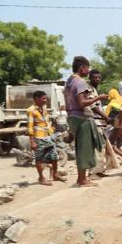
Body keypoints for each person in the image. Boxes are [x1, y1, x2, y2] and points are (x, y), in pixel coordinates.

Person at [64, 56, 108, 187]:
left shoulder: (69, 82)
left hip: (73, 117)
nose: (88, 71)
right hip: (82, 118)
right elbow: (82, 102)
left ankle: (82, 178)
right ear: (82, 68)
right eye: (87, 68)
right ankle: (82, 179)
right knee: (85, 148)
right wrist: (98, 97)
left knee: (81, 148)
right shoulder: (80, 82)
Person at [27, 91, 65, 186]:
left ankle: (55, 174)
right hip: (38, 137)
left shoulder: (43, 108)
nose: (45, 100)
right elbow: (30, 127)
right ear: (36, 99)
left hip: (48, 135)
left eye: (45, 98)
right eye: (43, 98)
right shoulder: (30, 110)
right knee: (39, 158)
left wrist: (52, 129)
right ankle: (41, 178)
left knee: (54, 156)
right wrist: (32, 142)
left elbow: (46, 121)